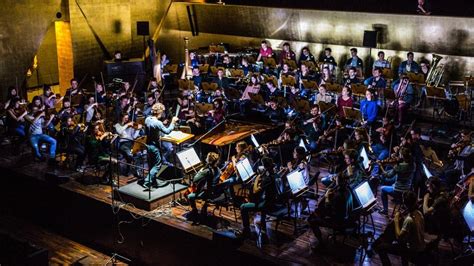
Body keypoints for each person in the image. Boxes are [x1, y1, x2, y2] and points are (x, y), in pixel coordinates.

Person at [373, 191, 426, 266]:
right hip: (420, 244)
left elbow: (399, 237)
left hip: (412, 250)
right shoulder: (419, 213)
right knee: (391, 233)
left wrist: (396, 221)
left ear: (404, 203)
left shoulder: (409, 220)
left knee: (381, 248)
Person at [308, 173, 353, 250]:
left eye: (336, 180)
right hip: (348, 218)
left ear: (338, 181)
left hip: (339, 222)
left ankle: (321, 244)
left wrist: (326, 198)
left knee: (311, 220)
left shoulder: (338, 195)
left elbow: (330, 211)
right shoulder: (348, 190)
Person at [140, 103, 179, 189]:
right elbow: (167, 131)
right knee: (158, 165)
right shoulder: (158, 123)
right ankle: (147, 182)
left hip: (148, 145)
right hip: (155, 146)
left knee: (151, 164)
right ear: (159, 112)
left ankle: (153, 181)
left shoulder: (147, 119)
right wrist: (172, 122)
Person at [240, 157, 279, 238]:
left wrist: (257, 179)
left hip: (267, 203)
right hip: (273, 199)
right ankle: (262, 220)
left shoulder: (268, 178)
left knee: (243, 207)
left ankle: (246, 229)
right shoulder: (274, 173)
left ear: (265, 166)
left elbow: (255, 191)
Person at [187, 152, 222, 224]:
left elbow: (195, 179)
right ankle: (203, 209)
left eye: (207, 158)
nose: (205, 158)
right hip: (215, 191)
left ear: (208, 160)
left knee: (189, 196)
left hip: (207, 193)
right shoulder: (218, 169)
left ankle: (194, 210)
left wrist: (200, 171)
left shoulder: (207, 171)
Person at [378, 148, 414, 215]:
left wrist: (381, 166)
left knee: (382, 189)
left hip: (398, 191)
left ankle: (385, 210)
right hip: (407, 190)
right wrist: (396, 161)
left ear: (402, 156)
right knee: (393, 182)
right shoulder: (413, 165)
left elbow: (388, 176)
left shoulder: (399, 166)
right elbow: (399, 166)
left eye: (400, 155)